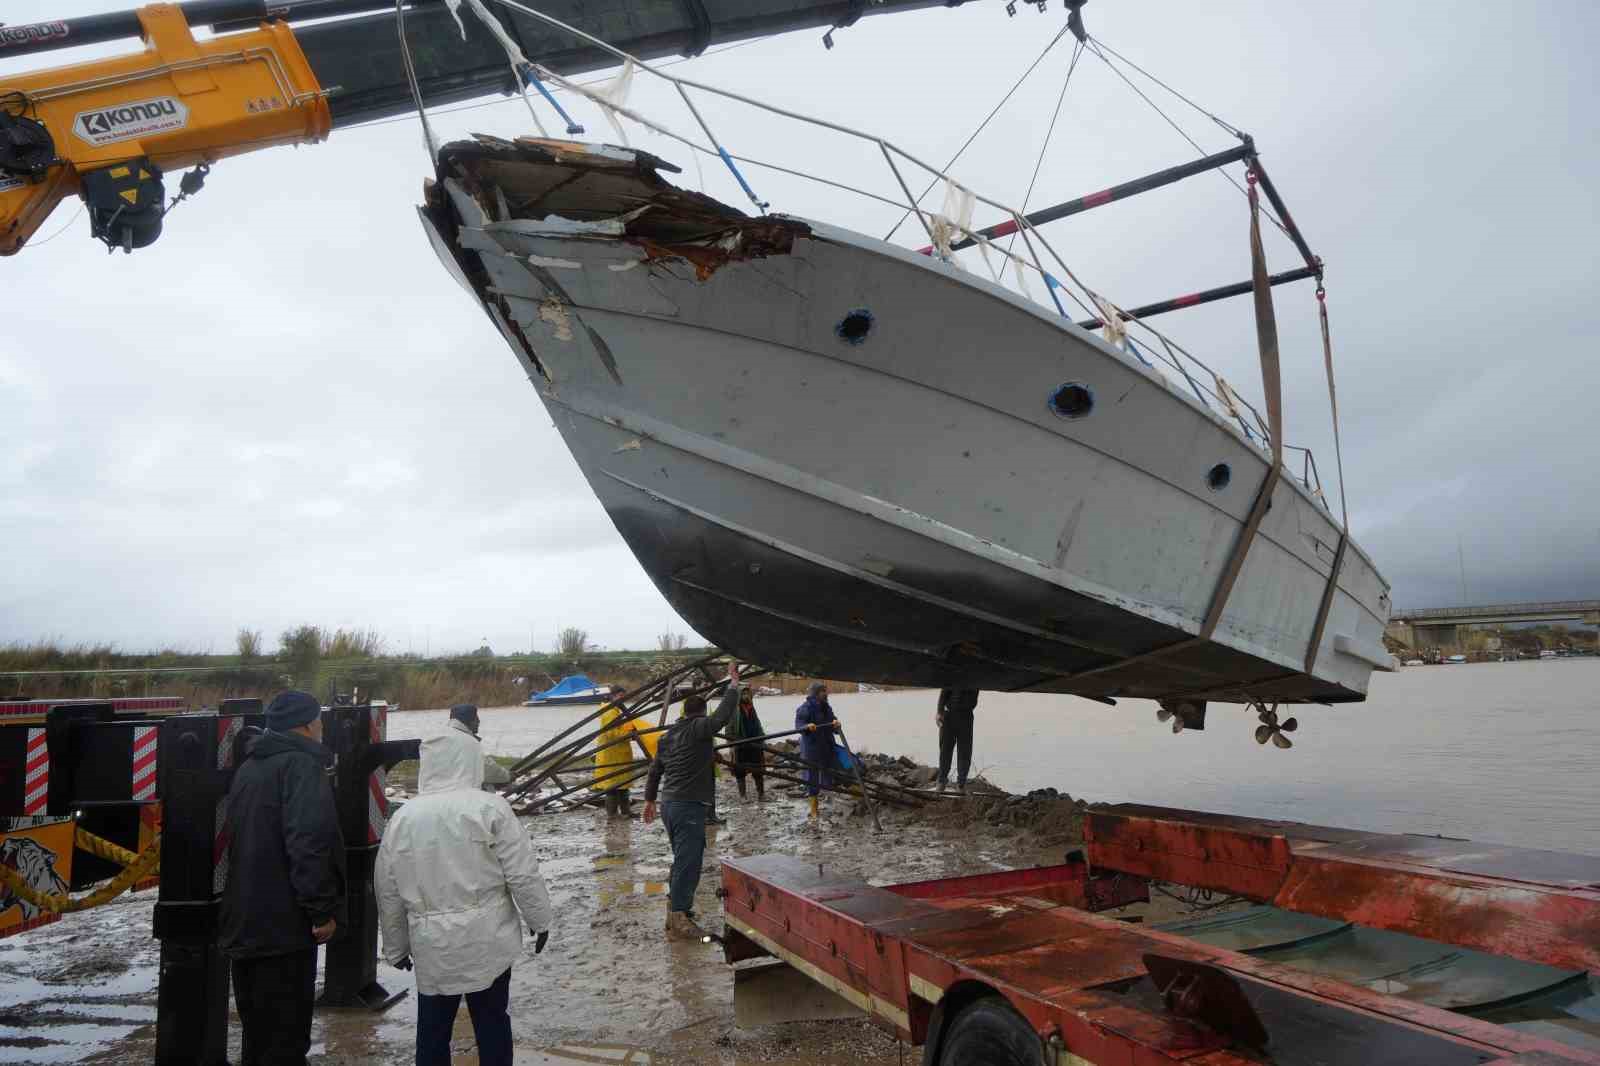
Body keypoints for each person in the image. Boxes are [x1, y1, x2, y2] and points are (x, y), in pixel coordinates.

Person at [376, 717, 552, 1066]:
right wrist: (539, 919)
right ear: (472, 758)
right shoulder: (490, 808)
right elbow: (522, 873)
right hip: (489, 939)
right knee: (492, 1021)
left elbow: (388, 889)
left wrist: (396, 946)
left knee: (433, 1029)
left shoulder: (403, 819)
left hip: (432, 944)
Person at [219, 690, 346, 1066]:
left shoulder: (251, 766)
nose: (322, 727)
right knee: (285, 1043)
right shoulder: (301, 767)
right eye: (319, 721)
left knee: (258, 1040)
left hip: (246, 926)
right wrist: (321, 911)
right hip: (283, 930)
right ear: (306, 726)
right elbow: (307, 844)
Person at [643, 666, 741, 939]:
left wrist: (649, 800)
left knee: (681, 857)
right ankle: (678, 915)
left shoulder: (667, 736)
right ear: (701, 713)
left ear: (684, 712)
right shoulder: (699, 727)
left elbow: (654, 770)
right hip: (687, 805)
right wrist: (733, 686)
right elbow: (721, 717)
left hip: (669, 805)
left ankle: (675, 908)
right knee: (689, 861)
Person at [794, 681, 840, 817]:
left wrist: (836, 724)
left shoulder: (826, 707)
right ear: (816, 693)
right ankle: (814, 808)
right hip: (812, 747)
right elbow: (799, 725)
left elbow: (833, 722)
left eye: (825, 691)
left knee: (835, 769)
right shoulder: (805, 708)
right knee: (812, 776)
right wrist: (807, 726)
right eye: (822, 691)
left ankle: (840, 794)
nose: (826, 693)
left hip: (827, 745)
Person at [448, 702, 511, 789]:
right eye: (476, 718)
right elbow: (486, 769)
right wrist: (508, 776)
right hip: (465, 793)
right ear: (469, 721)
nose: (478, 721)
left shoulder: (442, 736)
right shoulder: (467, 741)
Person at [936, 688, 980, 793]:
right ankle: (941, 782)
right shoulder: (953, 677)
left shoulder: (976, 679)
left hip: (967, 716)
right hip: (949, 715)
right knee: (945, 750)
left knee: (965, 751)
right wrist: (939, 712)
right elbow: (944, 692)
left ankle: (961, 784)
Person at [728, 688, 766, 801]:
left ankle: (761, 794)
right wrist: (730, 744)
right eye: (743, 694)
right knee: (740, 771)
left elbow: (757, 724)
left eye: (747, 694)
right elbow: (729, 728)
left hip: (755, 744)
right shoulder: (734, 710)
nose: (746, 696)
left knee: (758, 770)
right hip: (740, 744)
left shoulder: (752, 708)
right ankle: (743, 796)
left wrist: (763, 739)